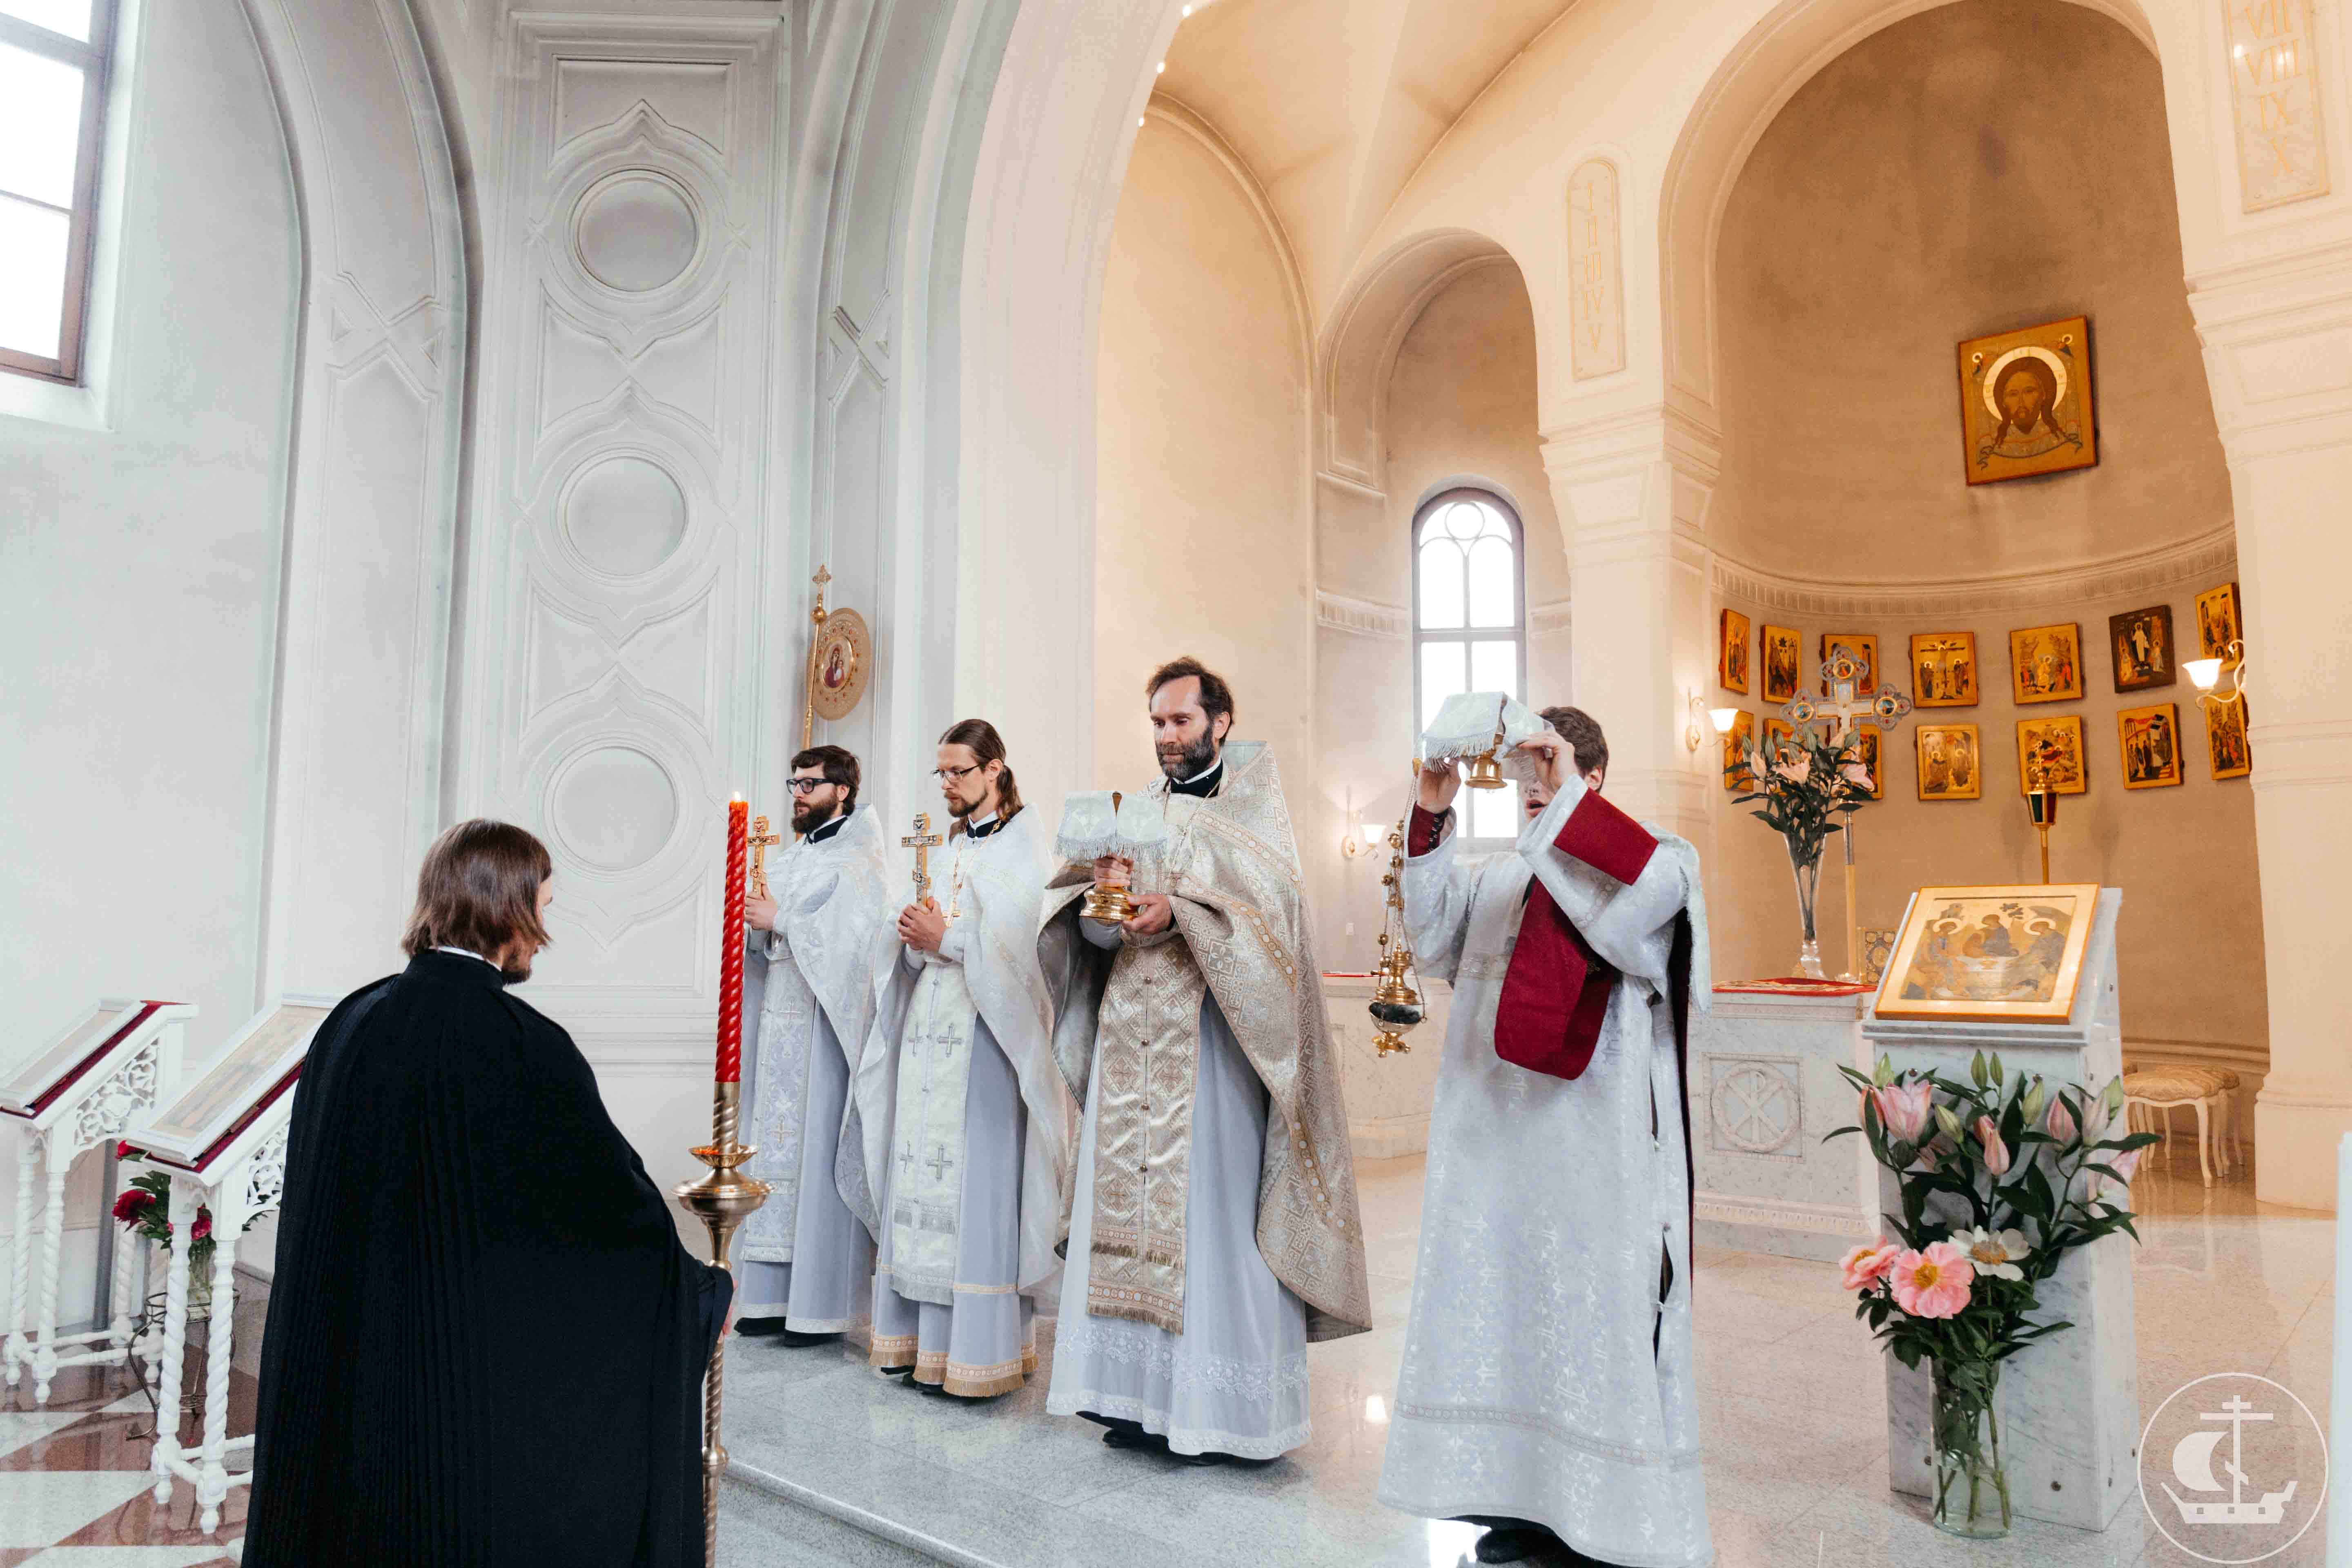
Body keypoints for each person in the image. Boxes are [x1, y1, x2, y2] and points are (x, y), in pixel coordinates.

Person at [245, 820, 729, 1568]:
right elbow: (610, 1220)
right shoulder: (523, 1044)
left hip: (357, 1385)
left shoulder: (352, 1021)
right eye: (543, 905)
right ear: (509, 909)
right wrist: (701, 1294)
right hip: (450, 1410)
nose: (544, 931)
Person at [1376, 708, 1713, 1567]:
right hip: (1493, 1149)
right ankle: (1512, 1499)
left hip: (1593, 1156)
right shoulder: (1499, 879)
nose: (1531, 794)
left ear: (1589, 780)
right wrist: (1431, 807)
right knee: (1503, 1311)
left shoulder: (1661, 860)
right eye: (1523, 777)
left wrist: (1562, 805)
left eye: (1549, 774)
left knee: (1591, 1312)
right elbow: (1429, 937)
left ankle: (1599, 1515)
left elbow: (1631, 917)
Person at [1039, 657, 1370, 1463]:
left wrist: (1184, 912)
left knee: (1208, 1226)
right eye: (1156, 723)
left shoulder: (1254, 814)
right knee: (1128, 1224)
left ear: (1221, 722)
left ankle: (1217, 1413)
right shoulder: (1132, 814)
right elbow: (1084, 930)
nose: (1166, 737)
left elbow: (1276, 929)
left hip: (1214, 1057)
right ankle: (1132, 1398)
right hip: (1131, 1051)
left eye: (1180, 722)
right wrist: (1100, 906)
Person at [847, 720, 1071, 1396]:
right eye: (940, 773)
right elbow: (917, 938)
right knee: (920, 1175)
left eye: (958, 773)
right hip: (928, 1036)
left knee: (977, 1182)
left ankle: (979, 1353)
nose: (946, 784)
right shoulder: (946, 850)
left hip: (985, 1041)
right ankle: (917, 1345)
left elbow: (1028, 950)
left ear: (995, 771)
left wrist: (950, 938)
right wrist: (914, 940)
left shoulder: (1023, 852)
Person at [736, 746, 893, 1343]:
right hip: (779, 1020)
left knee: (816, 1151)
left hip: (826, 1029)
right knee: (772, 1152)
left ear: (842, 791)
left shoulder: (859, 862)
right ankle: (768, 1298)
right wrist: (753, 929)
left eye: (810, 785)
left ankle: (818, 1306)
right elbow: (766, 932)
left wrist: (782, 922)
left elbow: (857, 946)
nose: (798, 794)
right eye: (794, 783)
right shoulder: (790, 858)